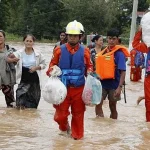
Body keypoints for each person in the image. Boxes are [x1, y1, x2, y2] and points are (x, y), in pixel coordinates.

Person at [46, 20, 93, 140]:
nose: (72, 38)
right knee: (59, 116)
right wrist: (53, 70)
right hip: (62, 89)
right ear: (67, 36)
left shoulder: (86, 51)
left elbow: (90, 67)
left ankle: (77, 139)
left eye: (75, 35)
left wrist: (90, 75)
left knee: (78, 115)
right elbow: (50, 67)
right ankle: (64, 127)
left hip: (79, 89)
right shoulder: (58, 50)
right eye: (70, 35)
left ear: (80, 36)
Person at [95, 28, 130, 119]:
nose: (111, 41)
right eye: (109, 38)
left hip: (114, 85)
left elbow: (123, 72)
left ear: (117, 39)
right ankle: (101, 126)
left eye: (114, 39)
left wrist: (119, 87)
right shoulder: (104, 51)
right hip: (102, 83)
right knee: (98, 104)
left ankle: (113, 126)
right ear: (107, 38)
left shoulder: (119, 54)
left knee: (112, 107)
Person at [13, 34, 46, 109]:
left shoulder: (38, 54)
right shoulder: (18, 53)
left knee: (33, 104)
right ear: (24, 42)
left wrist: (36, 67)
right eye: (27, 41)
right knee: (20, 101)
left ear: (33, 42)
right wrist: (12, 59)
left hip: (34, 80)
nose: (28, 43)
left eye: (30, 41)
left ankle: (31, 119)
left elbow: (44, 64)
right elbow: (11, 58)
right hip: (23, 79)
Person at [132, 26, 150, 122]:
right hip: (149, 77)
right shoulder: (147, 46)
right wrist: (140, 31)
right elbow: (135, 44)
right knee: (148, 103)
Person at [0, 30, 19, 107]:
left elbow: (18, 61)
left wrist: (13, 59)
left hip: (7, 80)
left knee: (11, 104)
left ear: (4, 38)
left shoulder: (11, 50)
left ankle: (11, 118)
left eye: (0, 36)